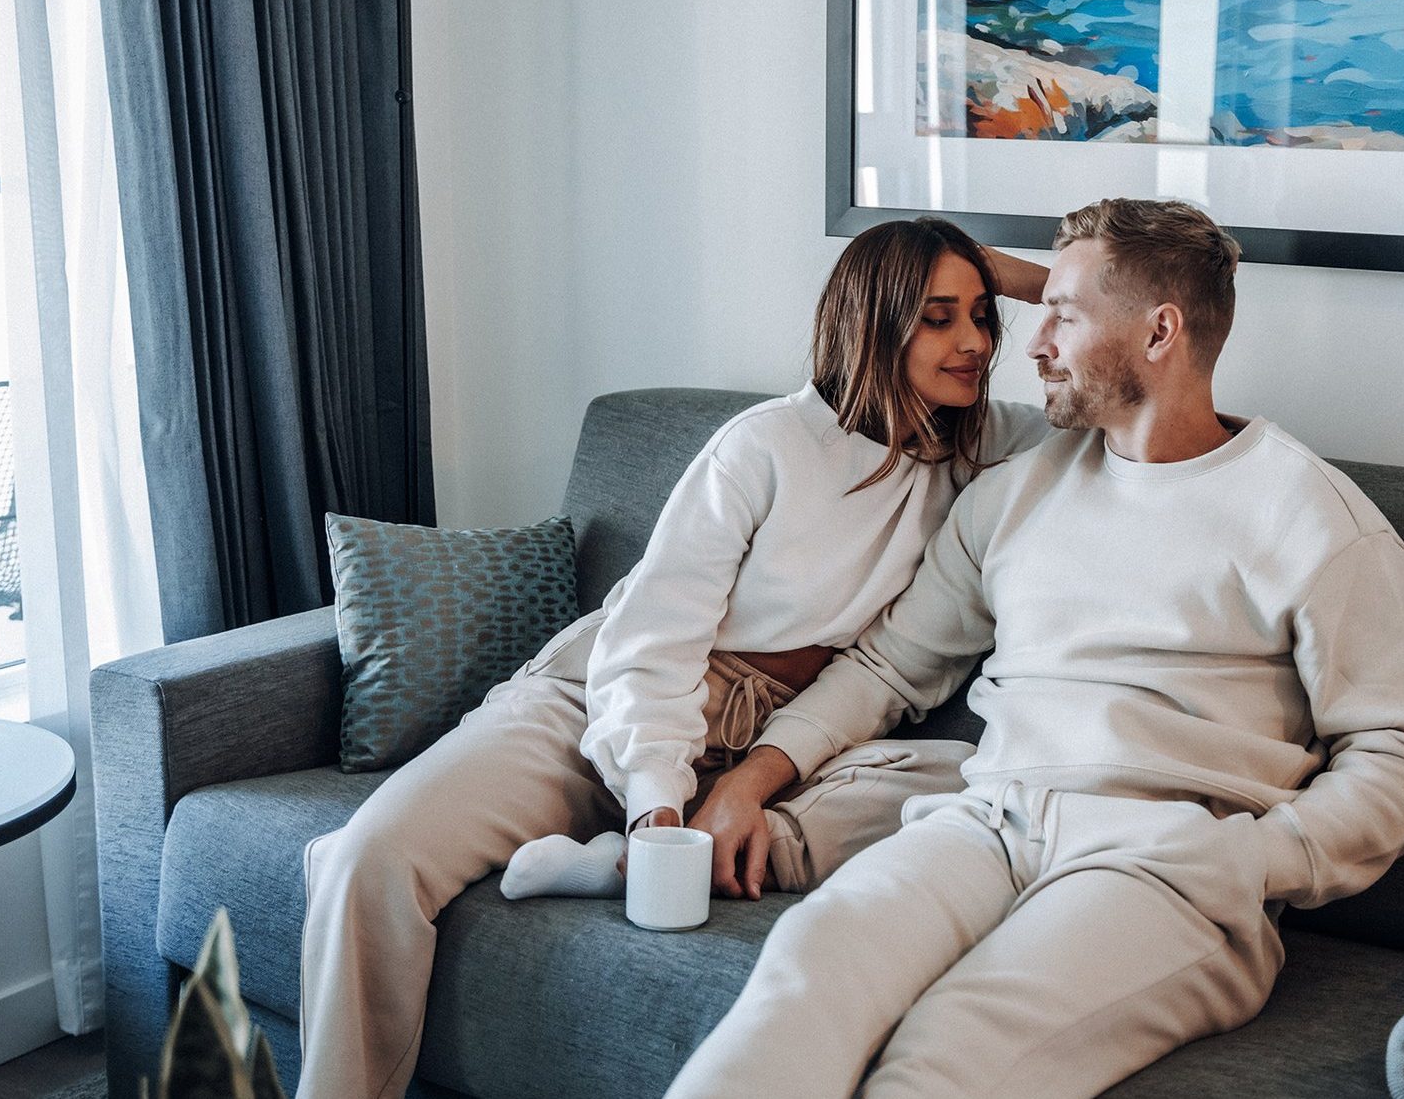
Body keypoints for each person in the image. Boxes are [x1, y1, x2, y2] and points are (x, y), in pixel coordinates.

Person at [667, 197, 1404, 1099]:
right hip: (989, 823)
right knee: (808, 968)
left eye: (1065, 313)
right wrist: (749, 779)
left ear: (1160, 333)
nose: (1030, 342)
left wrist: (1252, 858)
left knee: (950, 1054)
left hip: (1165, 868)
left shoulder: (1315, 520)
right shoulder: (1019, 490)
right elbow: (888, 667)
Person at [295, 217, 1053, 1099]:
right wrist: (657, 800)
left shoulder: (984, 444)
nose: (972, 342)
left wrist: (1021, 278)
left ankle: (619, 862)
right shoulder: (765, 446)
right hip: (616, 698)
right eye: (937, 316)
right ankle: (641, 845)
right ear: (873, 320)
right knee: (369, 860)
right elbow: (656, 639)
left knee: (973, 781)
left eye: (982, 316)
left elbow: (1118, 406)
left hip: (789, 736)